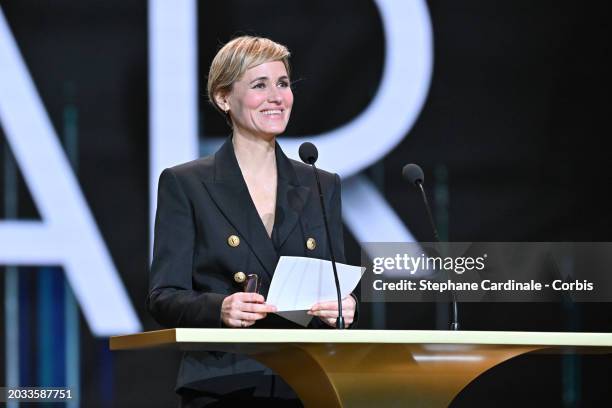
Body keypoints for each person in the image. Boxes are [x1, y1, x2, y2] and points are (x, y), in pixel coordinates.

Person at [147, 36, 357, 407]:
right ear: (224, 98)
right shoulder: (186, 183)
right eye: (259, 85)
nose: (276, 96)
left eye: (283, 83)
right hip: (224, 381)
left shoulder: (320, 183)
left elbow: (336, 281)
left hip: (308, 382)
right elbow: (164, 297)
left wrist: (344, 305)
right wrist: (220, 308)